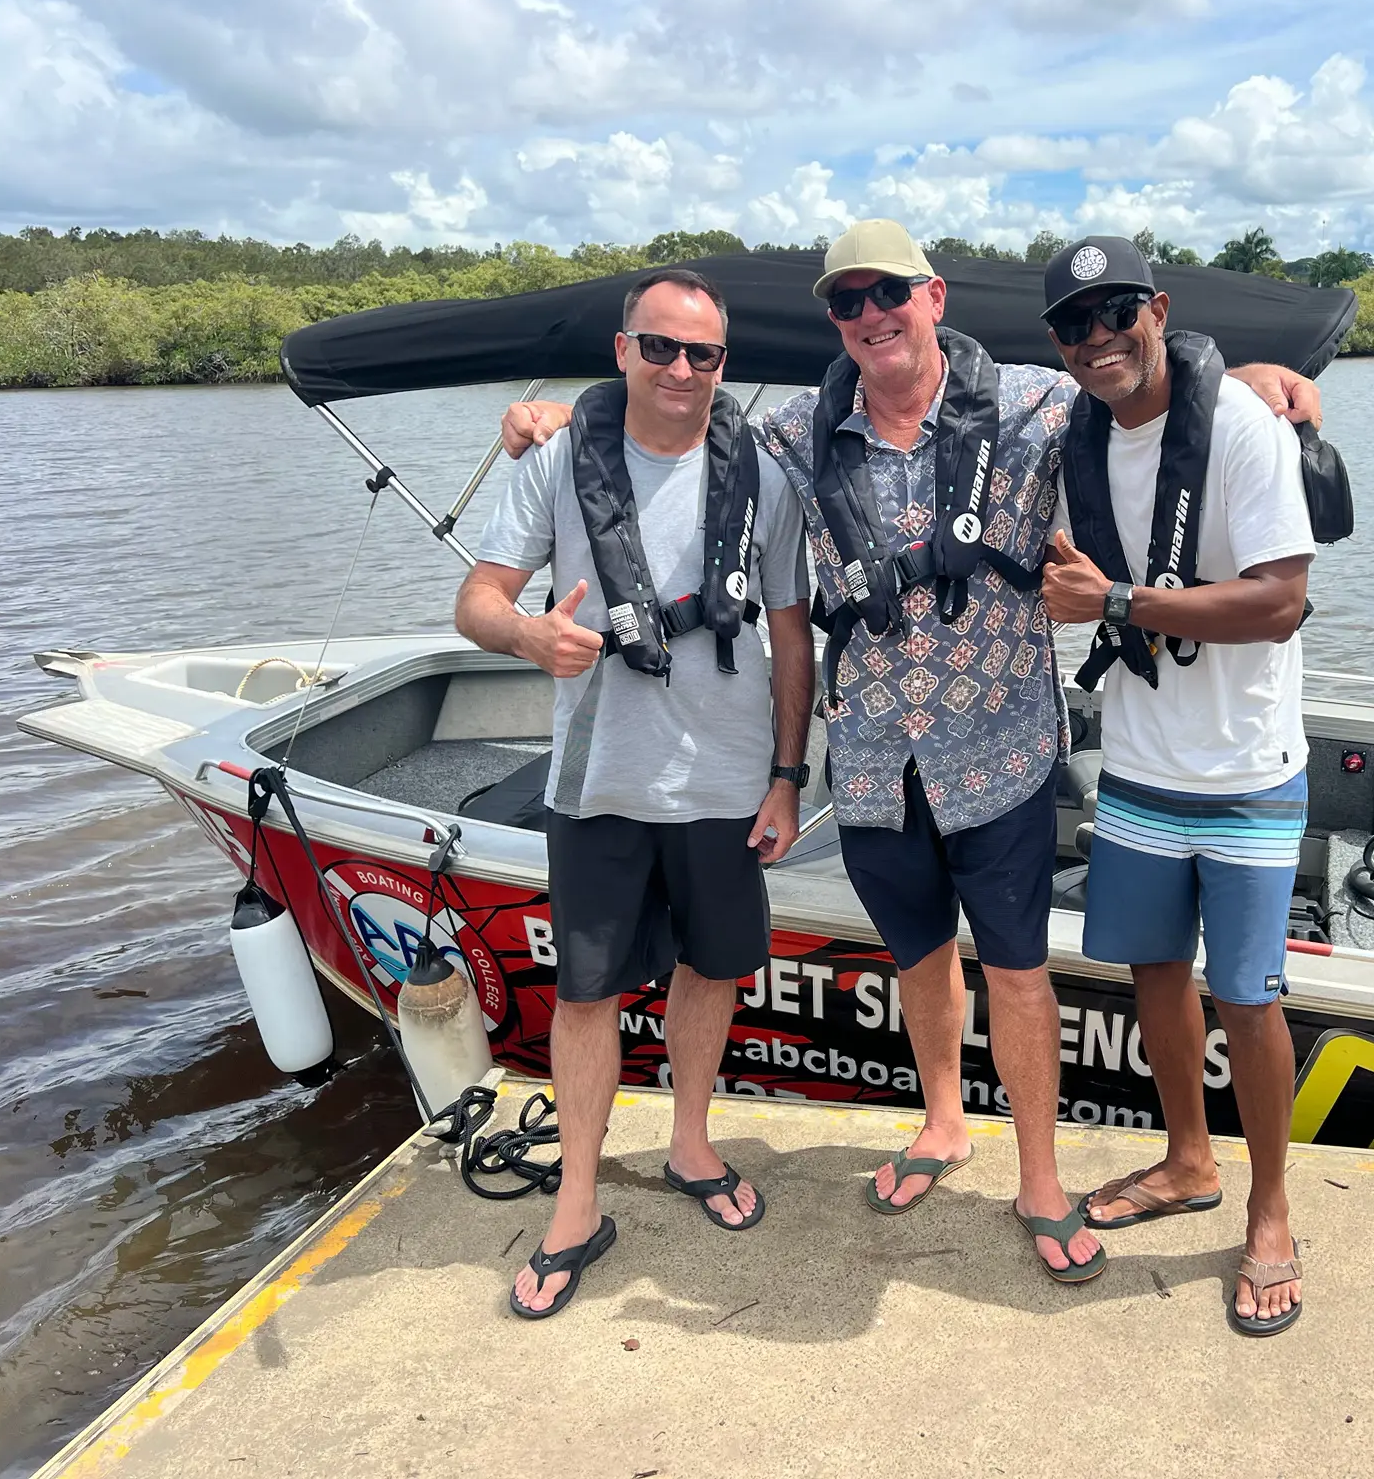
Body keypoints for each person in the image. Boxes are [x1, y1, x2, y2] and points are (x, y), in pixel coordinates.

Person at [495, 222, 1321, 1285]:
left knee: (1021, 973)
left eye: (892, 292)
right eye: (848, 301)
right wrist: (559, 416)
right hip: (880, 757)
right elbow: (679, 421)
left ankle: (1038, 1175)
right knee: (921, 959)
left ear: (934, 298)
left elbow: (1145, 386)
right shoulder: (796, 430)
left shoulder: (1037, 403)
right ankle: (941, 1122)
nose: (872, 314)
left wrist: (1248, 375)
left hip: (1005, 746)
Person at [455, 268, 814, 1319]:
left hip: (727, 778)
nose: (680, 370)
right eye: (659, 347)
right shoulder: (559, 456)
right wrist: (528, 634)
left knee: (712, 970)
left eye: (702, 354)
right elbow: (478, 597)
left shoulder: (769, 474)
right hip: (599, 779)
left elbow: (790, 630)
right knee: (585, 993)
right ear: (623, 351)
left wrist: (788, 777)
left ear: (723, 366)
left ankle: (690, 1144)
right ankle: (575, 1198)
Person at [1038, 236, 1313, 1334]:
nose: (1098, 339)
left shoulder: (1243, 427)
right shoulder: (1072, 434)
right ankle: (1189, 1159)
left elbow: (1280, 601)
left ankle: (1273, 1210)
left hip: (1247, 768)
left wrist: (1118, 606)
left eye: (1116, 312)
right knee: (1156, 972)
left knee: (1246, 995)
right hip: (1144, 767)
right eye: (1073, 324)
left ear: (1157, 309)